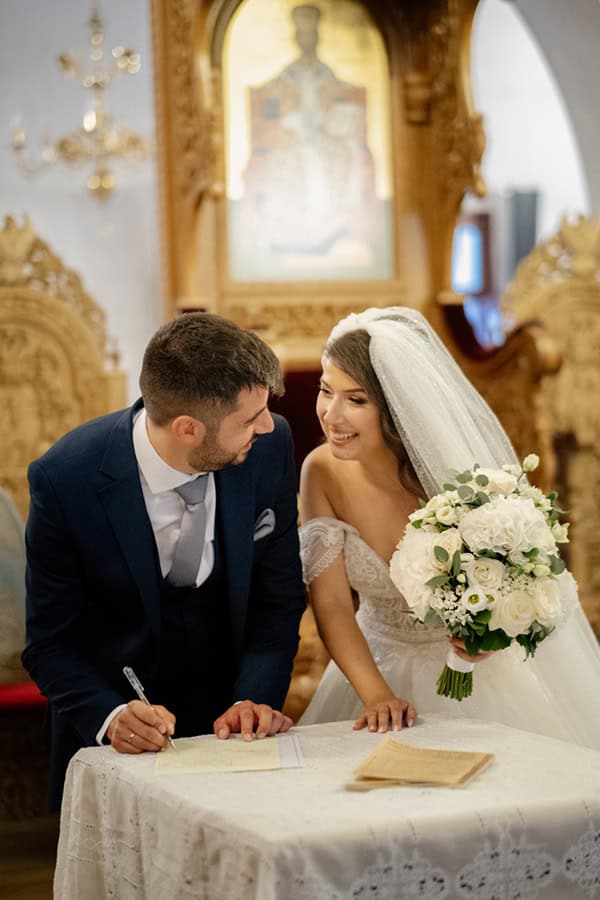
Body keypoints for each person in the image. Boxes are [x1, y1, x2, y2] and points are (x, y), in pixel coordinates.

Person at [23, 312, 306, 808]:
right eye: (248, 419)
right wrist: (109, 716)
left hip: (235, 740)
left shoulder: (268, 446)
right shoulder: (66, 479)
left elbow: (277, 598)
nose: (267, 425)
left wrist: (254, 697)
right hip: (119, 742)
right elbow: (50, 642)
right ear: (188, 428)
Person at [299, 306, 600, 748]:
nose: (332, 414)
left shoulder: (451, 472)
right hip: (372, 669)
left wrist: (491, 635)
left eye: (356, 400)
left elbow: (514, 577)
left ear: (395, 406)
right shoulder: (320, 471)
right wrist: (377, 695)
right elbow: (333, 607)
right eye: (327, 391)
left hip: (475, 674)